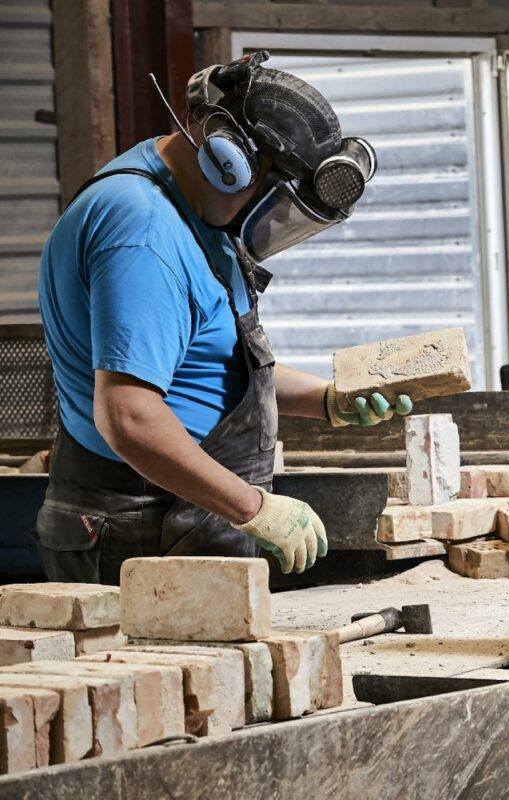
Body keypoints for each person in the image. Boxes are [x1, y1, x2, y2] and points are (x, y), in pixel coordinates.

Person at [36, 51, 408, 583]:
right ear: (227, 161)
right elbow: (130, 416)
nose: (271, 223)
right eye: (274, 203)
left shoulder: (187, 207)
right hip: (141, 525)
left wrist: (327, 400)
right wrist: (251, 507)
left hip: (177, 510)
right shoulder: (143, 232)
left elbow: (209, 369)